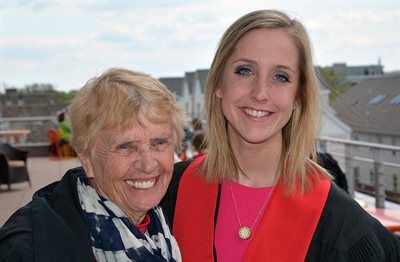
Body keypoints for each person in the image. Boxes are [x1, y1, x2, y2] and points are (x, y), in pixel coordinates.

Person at [161, 10, 400, 261]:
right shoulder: (169, 193)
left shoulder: (343, 225)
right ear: (219, 84)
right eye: (244, 71)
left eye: (280, 77)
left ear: (298, 96)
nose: (260, 92)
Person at [0, 68, 185, 261]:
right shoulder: (27, 250)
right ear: (86, 158)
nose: (148, 165)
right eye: (125, 146)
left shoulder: (172, 221)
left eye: (160, 142)